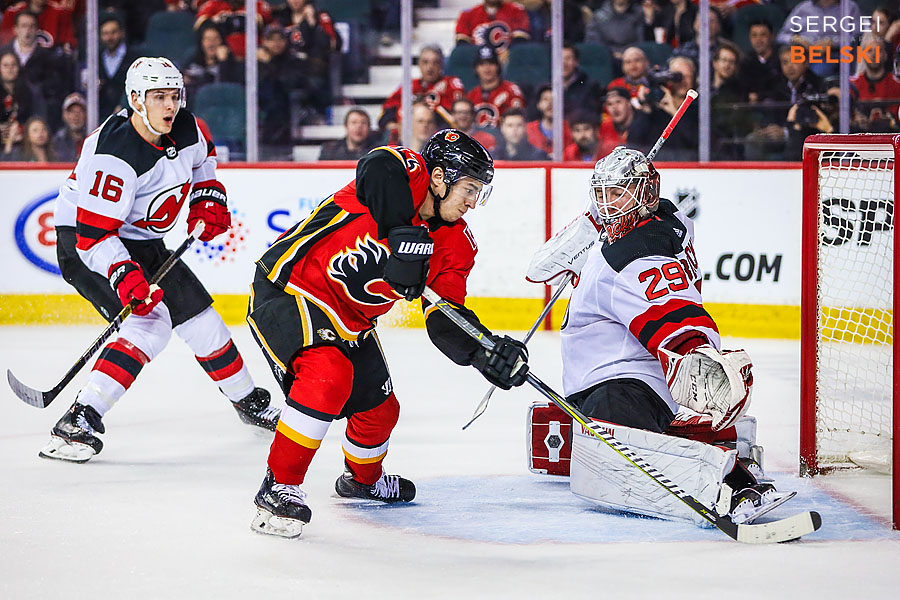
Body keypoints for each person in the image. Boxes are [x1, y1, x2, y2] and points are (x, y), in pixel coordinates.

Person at [247, 130, 530, 538]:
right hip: (290, 287)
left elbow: (444, 316)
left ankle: (361, 480)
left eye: (479, 192)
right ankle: (279, 485)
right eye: (469, 188)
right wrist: (404, 236)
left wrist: (483, 352)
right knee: (327, 377)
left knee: (381, 409)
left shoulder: (457, 245)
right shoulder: (405, 174)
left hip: (352, 319)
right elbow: (375, 167)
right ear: (439, 177)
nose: (473, 202)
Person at [525, 146, 792, 527]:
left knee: (617, 468)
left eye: (618, 192)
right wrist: (588, 233)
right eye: (601, 193)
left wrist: (691, 350)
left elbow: (668, 312)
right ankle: (735, 472)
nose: (607, 204)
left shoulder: (628, 259)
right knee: (622, 452)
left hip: (621, 386)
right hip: (623, 384)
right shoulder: (668, 222)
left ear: (646, 193)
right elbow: (538, 272)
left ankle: (735, 488)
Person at [42, 57, 279, 464]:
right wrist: (124, 276)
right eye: (158, 97)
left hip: (142, 241)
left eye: (174, 95)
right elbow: (93, 237)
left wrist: (208, 197)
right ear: (136, 99)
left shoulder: (187, 126)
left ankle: (248, 401)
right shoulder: (113, 155)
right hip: (86, 244)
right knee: (149, 323)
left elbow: (204, 162)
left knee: (202, 320)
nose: (169, 106)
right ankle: (79, 418)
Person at [379, 45, 466, 137]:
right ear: (419, 64)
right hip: (405, 137)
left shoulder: (451, 85)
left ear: (442, 65)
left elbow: (455, 119)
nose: (430, 67)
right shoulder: (409, 85)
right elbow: (387, 112)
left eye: (435, 63)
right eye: (425, 62)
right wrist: (391, 124)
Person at [0, 10, 65, 128]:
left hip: (35, 117)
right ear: (15, 29)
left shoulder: (48, 58)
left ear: (37, 30)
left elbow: (53, 91)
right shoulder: (2, 54)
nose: (28, 30)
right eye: (24, 26)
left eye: (32, 26)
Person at [467, 45, 526, 129]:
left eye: (491, 63)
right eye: (482, 64)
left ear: (498, 66)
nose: (487, 68)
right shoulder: (472, 95)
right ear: (476, 69)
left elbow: (517, 123)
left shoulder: (511, 91)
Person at [182, 22, 243, 101]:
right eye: (207, 39)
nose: (211, 43)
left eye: (216, 39)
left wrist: (223, 63)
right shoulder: (192, 62)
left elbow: (225, 91)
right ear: (202, 42)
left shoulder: (231, 66)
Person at [97, 12, 139, 120]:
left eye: (113, 32)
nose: (109, 37)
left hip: (128, 116)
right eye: (105, 33)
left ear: (122, 33)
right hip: (101, 116)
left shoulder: (134, 58)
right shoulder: (96, 59)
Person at [850, 38, 900, 120]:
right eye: (869, 51)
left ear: (885, 55)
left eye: (878, 50)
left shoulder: (897, 86)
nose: (874, 55)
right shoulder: (852, 85)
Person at [455, 0, 531, 51]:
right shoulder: (468, 14)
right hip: (478, 62)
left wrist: (510, 52)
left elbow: (521, 39)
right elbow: (462, 43)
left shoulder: (516, 11)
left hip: (507, 59)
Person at [0, 0, 77, 50]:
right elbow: (5, 47)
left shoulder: (60, 13)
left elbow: (68, 44)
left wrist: (67, 47)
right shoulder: (12, 13)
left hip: (50, 67)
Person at [739, 20, 780, 103]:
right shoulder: (745, 62)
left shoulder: (781, 60)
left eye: (763, 35)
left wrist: (760, 96)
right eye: (754, 35)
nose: (758, 40)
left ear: (772, 37)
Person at [526, 84, 572, 155]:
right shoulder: (528, 130)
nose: (550, 103)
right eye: (545, 99)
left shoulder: (571, 129)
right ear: (538, 104)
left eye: (554, 99)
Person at [51, 92, 86, 162]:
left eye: (80, 111)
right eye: (71, 112)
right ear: (64, 115)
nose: (76, 116)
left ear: (86, 114)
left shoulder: (94, 139)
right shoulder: (56, 141)